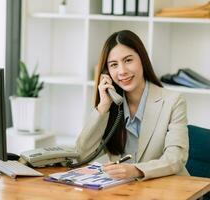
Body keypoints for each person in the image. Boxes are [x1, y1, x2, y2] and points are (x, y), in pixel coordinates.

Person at [75, 30, 189, 180]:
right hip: (126, 191)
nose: (122, 71)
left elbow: (176, 159)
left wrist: (136, 170)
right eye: (114, 65)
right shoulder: (112, 107)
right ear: (107, 72)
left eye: (128, 60)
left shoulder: (173, 101)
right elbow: (81, 155)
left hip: (167, 189)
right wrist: (103, 107)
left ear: (142, 59)